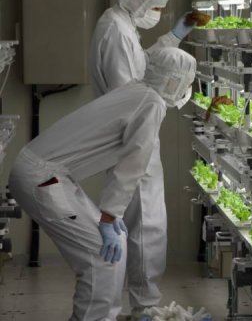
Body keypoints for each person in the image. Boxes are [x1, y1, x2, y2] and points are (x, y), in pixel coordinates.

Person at [9, 47, 197, 321]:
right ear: (175, 81)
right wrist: (110, 215)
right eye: (187, 83)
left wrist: (111, 216)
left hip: (51, 178)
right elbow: (134, 162)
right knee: (101, 256)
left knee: (114, 243)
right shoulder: (152, 102)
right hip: (44, 181)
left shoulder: (138, 90)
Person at [89, 0, 208, 318]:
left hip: (134, 134)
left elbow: (141, 65)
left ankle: (145, 302)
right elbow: (132, 95)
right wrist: (174, 93)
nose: (156, 12)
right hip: (130, 137)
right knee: (147, 227)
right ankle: (145, 308)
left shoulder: (121, 24)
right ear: (138, 0)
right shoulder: (114, 30)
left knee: (148, 224)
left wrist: (173, 36)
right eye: (155, 6)